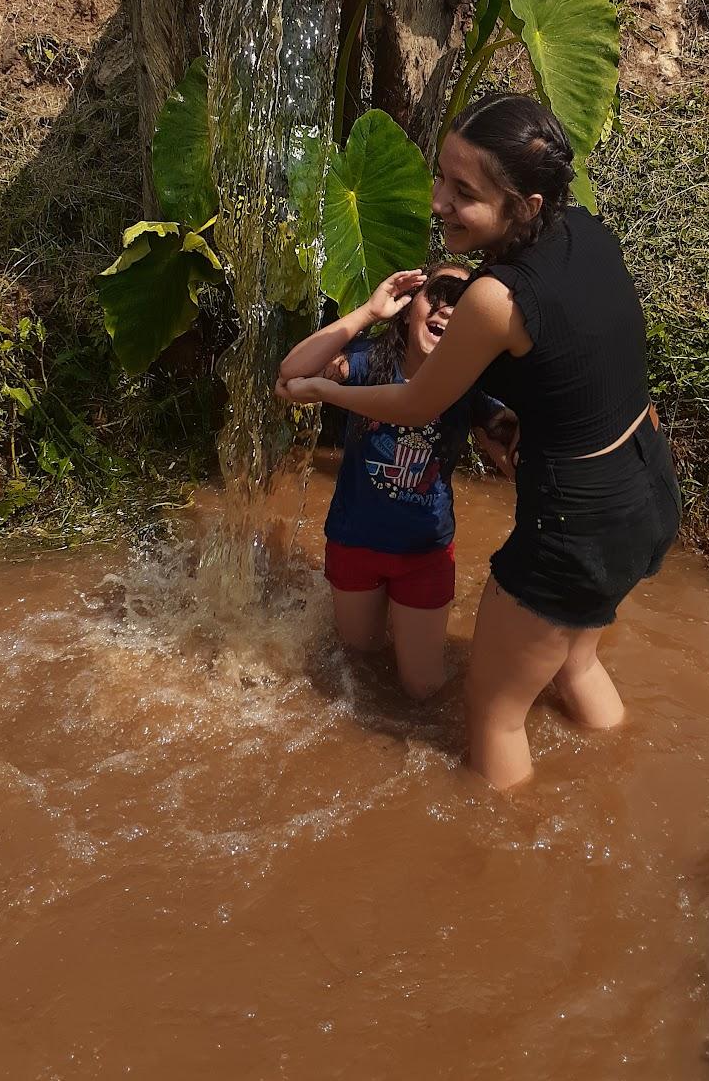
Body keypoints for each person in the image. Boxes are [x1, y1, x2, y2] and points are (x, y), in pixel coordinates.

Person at [282, 96, 681, 789]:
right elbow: (582, 359)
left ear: (525, 205)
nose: (437, 202)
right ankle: (617, 790)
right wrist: (517, 423)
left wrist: (328, 394)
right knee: (575, 663)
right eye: (441, 177)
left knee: (493, 714)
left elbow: (417, 401)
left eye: (463, 192)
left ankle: (503, 866)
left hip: (573, 526)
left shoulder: (495, 298)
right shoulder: (587, 232)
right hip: (644, 487)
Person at [277, 264, 517, 702]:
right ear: (409, 309)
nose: (448, 307)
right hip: (356, 542)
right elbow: (291, 376)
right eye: (438, 293)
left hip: (423, 552)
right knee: (360, 671)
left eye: (464, 301)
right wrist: (369, 311)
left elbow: (513, 454)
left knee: (424, 689)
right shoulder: (369, 363)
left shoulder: (468, 384)